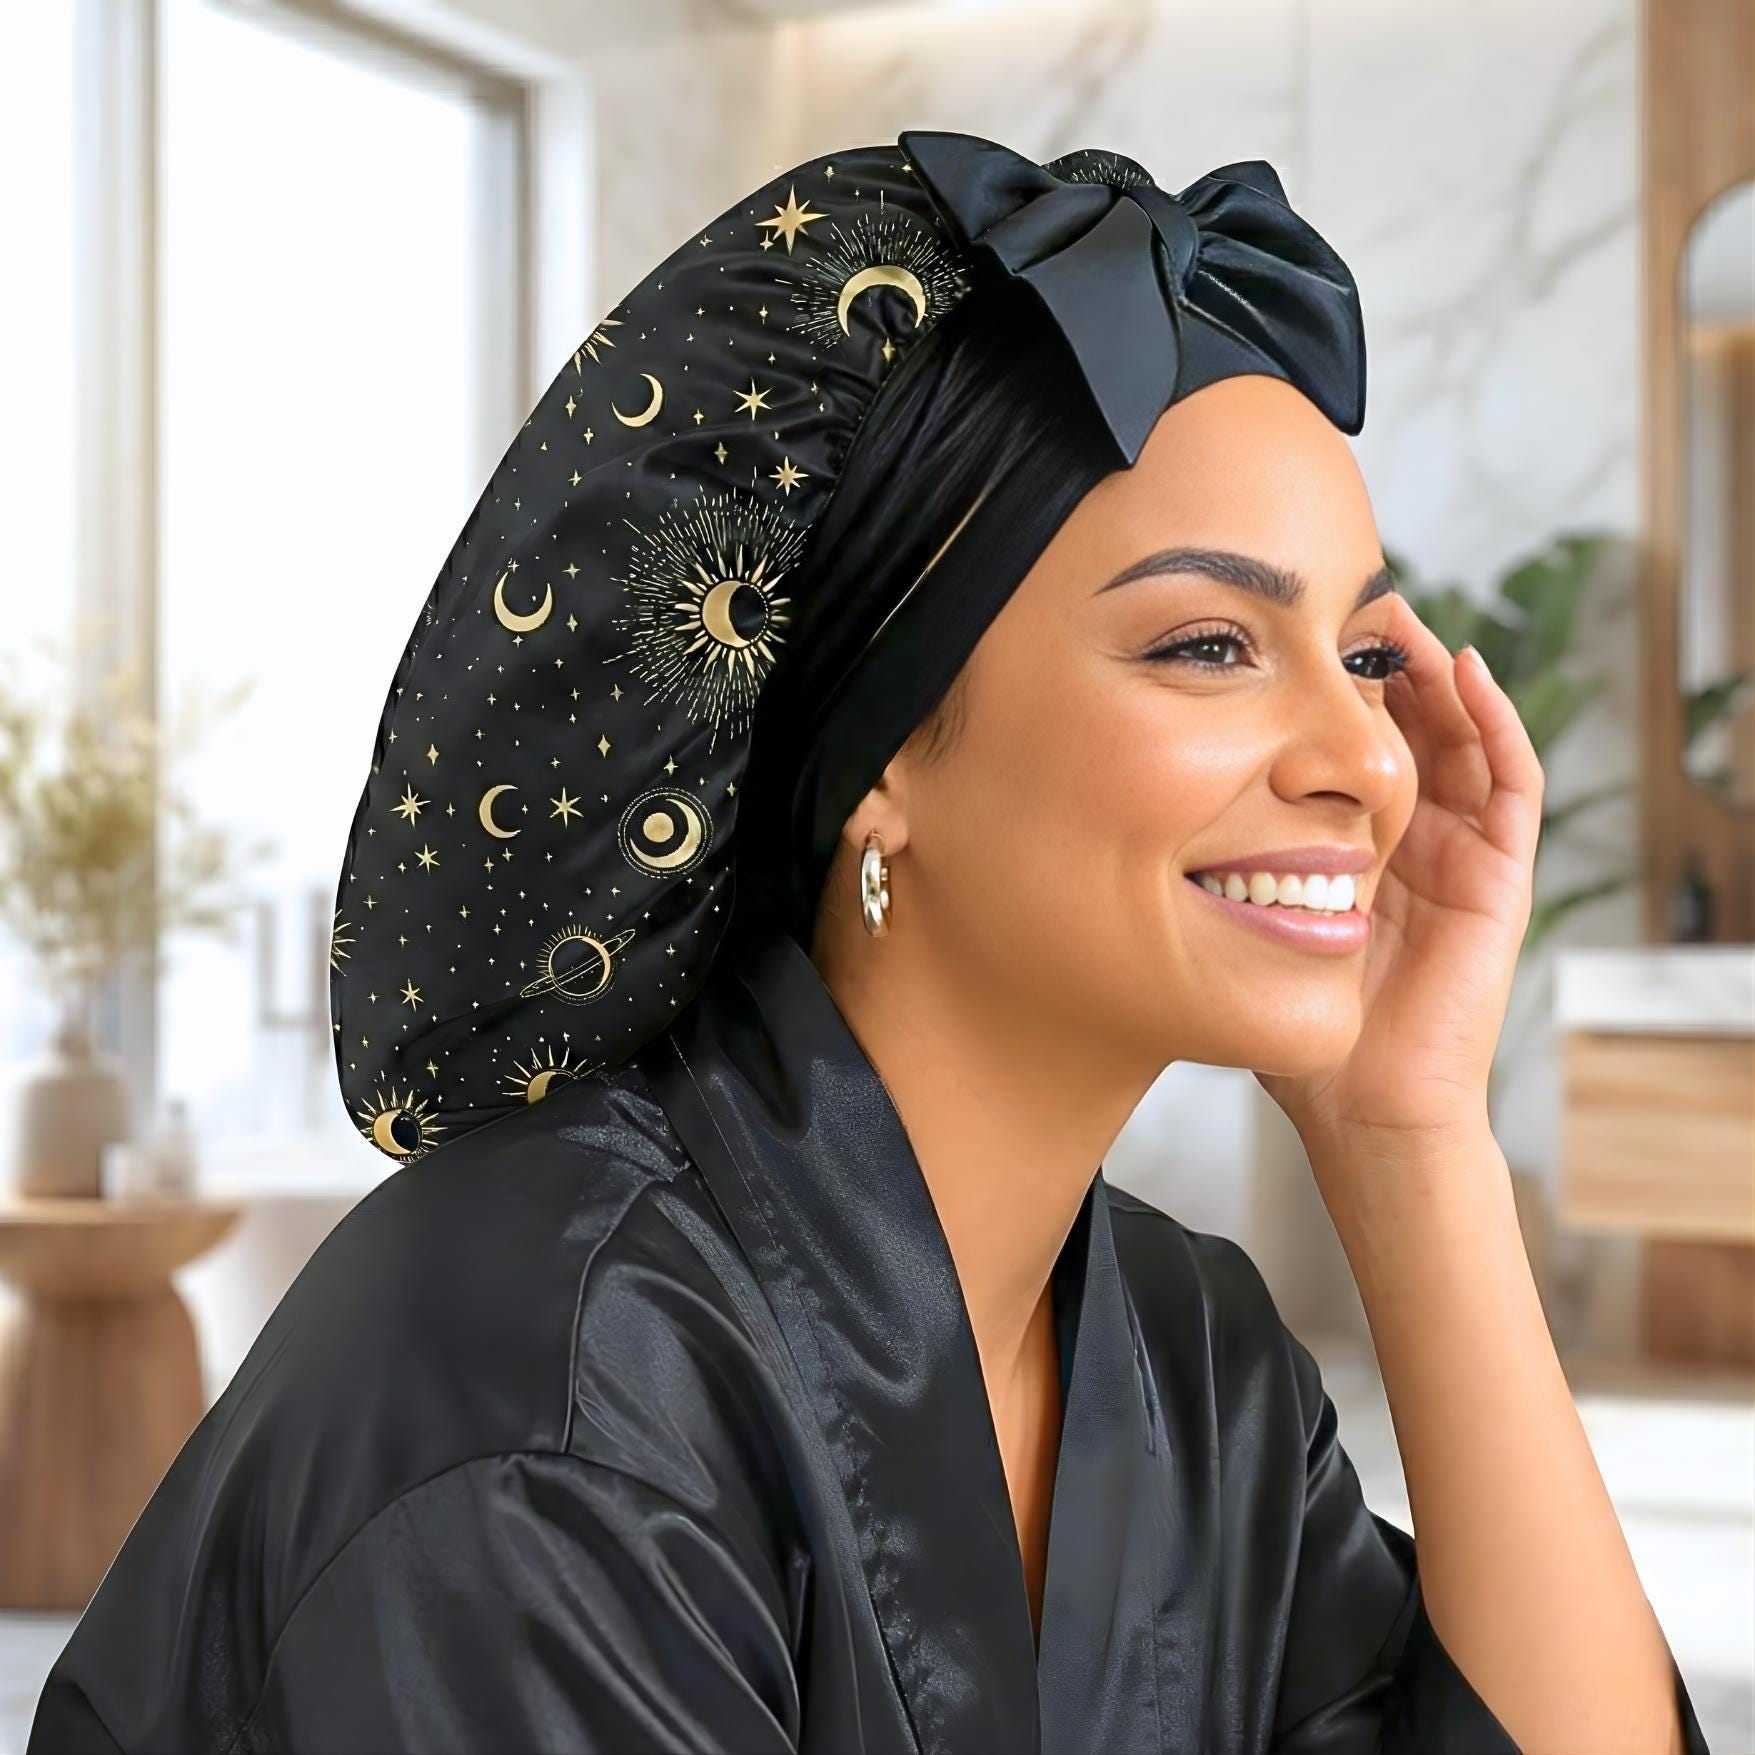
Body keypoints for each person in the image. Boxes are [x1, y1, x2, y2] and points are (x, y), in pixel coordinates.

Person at [28, 129, 1710, 1755]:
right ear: (889, 746)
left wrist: (1413, 1142)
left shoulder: (1190, 1358)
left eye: (1357, 656)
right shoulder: (548, 1372)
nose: (1363, 757)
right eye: (1207, 644)